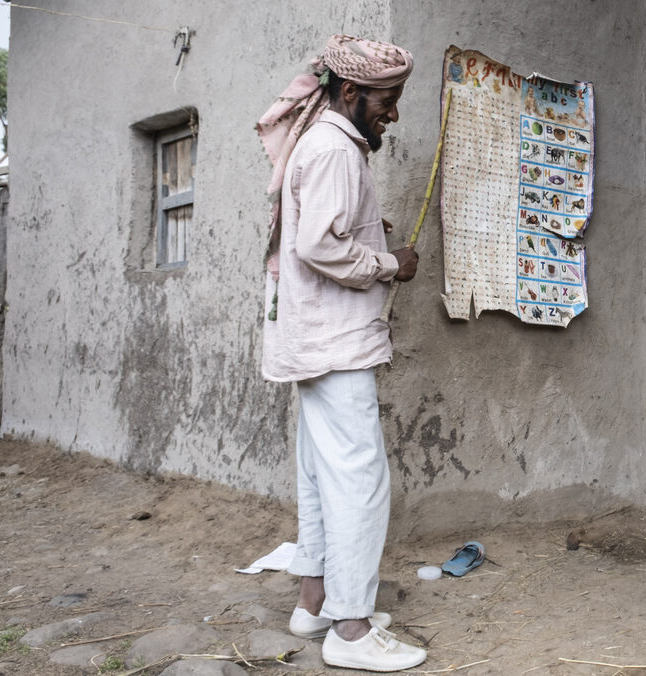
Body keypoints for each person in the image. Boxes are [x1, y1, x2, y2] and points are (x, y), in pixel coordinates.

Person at [255, 34, 427, 672]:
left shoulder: (327, 142)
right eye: (387, 99)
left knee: (323, 475)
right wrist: (390, 263)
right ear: (350, 92)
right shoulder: (332, 149)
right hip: (336, 345)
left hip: (317, 341)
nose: (393, 112)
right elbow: (318, 248)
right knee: (359, 484)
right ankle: (351, 632)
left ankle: (314, 603)